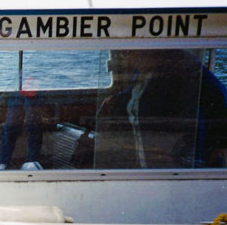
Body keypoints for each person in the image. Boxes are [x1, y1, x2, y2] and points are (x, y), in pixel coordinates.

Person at [96, 49, 227, 168]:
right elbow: (138, 94)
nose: (129, 59)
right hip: (149, 156)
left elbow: (219, 97)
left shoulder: (184, 69)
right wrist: (118, 99)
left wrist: (220, 145)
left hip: (179, 162)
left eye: (133, 53)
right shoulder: (141, 72)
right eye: (125, 54)